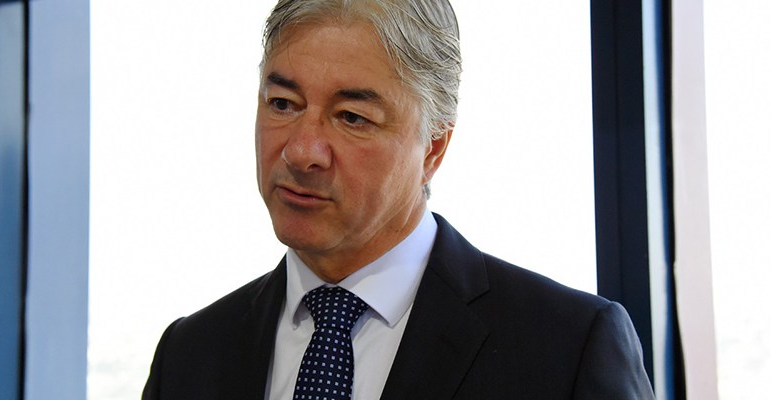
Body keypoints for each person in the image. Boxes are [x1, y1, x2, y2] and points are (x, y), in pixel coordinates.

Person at [143, 0, 655, 399]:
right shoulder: (189, 355)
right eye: (283, 103)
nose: (301, 151)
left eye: (351, 117)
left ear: (433, 147)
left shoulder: (567, 349)